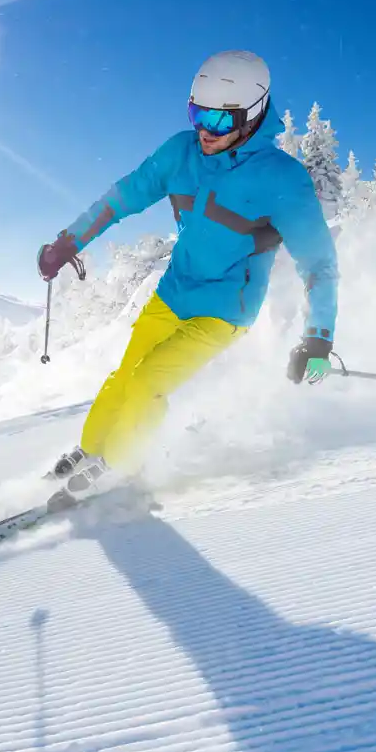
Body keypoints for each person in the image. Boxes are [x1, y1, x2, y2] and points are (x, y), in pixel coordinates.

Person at [36, 49, 339, 499]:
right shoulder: (181, 153)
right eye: (197, 114)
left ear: (252, 117)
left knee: (146, 383)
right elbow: (122, 197)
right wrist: (69, 241)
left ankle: (121, 466)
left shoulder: (281, 179)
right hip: (174, 293)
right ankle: (91, 451)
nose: (204, 131)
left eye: (218, 121)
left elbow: (319, 264)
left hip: (224, 311)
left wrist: (318, 338)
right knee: (124, 376)